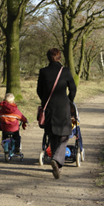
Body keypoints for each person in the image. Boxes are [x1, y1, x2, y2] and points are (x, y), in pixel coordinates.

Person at [37, 48, 76, 179]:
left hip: (49, 107)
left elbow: (39, 90)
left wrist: (45, 100)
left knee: (52, 135)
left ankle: (57, 165)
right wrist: (69, 100)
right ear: (59, 57)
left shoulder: (43, 72)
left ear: (48, 58)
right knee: (64, 135)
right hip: (63, 107)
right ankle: (56, 160)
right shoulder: (65, 71)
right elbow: (73, 88)